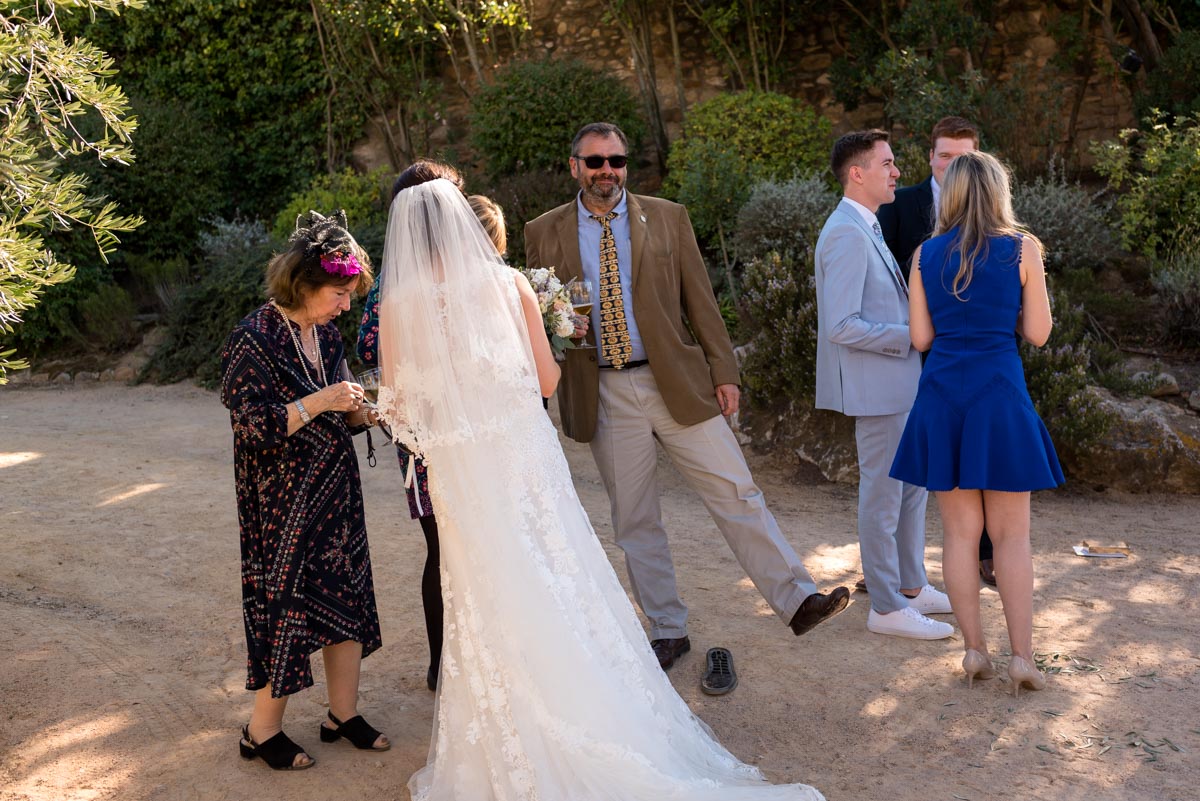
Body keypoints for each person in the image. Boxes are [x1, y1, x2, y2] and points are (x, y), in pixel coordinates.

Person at [376, 178, 826, 801]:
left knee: (484, 591)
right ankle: (590, 708)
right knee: (559, 578)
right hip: (522, 461)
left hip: (461, 471)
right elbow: (545, 380)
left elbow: (397, 407)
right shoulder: (509, 286)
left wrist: (448, 433)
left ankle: (500, 733)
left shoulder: (399, 305)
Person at [524, 122, 849, 674]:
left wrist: (725, 371)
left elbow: (701, 301)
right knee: (635, 518)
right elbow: (539, 308)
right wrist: (561, 333)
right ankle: (668, 629)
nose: (608, 171)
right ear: (574, 165)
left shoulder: (668, 217)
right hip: (601, 388)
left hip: (673, 377)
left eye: (618, 161)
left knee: (736, 490)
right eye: (596, 161)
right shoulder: (542, 231)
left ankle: (798, 601)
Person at [889, 151, 1062, 695]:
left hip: (941, 396)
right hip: (999, 395)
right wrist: (1002, 309)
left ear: (954, 194)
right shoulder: (1023, 249)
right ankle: (1022, 659)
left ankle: (972, 651)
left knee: (960, 535)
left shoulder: (924, 255)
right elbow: (1038, 333)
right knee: (1011, 536)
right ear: (999, 192)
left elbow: (920, 339)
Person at [220, 211, 388, 770]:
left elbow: (342, 415)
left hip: (336, 495)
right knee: (286, 610)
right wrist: (321, 401)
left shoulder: (324, 333)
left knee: (346, 601)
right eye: (340, 293)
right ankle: (260, 731)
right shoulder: (252, 338)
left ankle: (343, 715)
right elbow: (256, 427)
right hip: (281, 505)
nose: (346, 305)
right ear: (305, 283)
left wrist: (371, 411)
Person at [813, 130, 954, 641]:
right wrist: (911, 337)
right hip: (877, 387)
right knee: (883, 496)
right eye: (888, 163)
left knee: (913, 489)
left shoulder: (864, 224)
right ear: (858, 173)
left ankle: (911, 587)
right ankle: (887, 607)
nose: (897, 172)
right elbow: (842, 325)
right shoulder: (847, 232)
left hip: (900, 385)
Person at [356, 160, 466, 693]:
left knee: (440, 550)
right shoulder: (483, 280)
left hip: (420, 436)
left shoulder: (388, 293)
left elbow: (366, 350)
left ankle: (441, 665)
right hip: (476, 433)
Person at [877, 116, 998, 588]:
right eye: (945, 155)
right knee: (907, 473)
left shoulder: (995, 217)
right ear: (930, 156)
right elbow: (882, 278)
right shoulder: (900, 204)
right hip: (914, 352)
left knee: (980, 460)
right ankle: (890, 569)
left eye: (964, 157)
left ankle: (986, 557)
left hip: (978, 361)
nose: (953, 165)